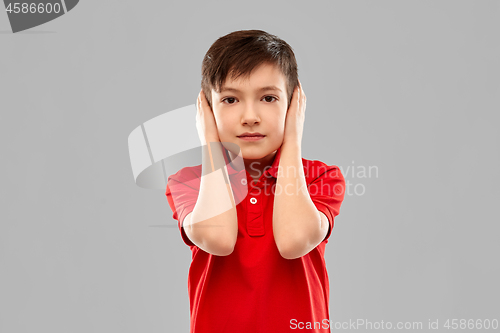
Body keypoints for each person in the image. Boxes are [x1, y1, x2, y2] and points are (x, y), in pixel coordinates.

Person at [165, 29, 346, 333]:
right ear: (207, 109)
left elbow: (293, 242)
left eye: (268, 97)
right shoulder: (189, 182)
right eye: (231, 99)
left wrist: (293, 141)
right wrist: (210, 140)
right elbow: (219, 240)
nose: (250, 116)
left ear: (294, 105)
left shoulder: (322, 177)